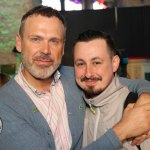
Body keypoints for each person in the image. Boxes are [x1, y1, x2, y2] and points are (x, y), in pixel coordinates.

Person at [0, 5, 150, 150]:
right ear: (19, 43)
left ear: (63, 47)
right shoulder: (5, 104)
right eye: (36, 39)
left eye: (54, 41)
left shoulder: (75, 77)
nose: (45, 50)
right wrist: (124, 129)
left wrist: (145, 99)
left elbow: (123, 84)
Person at [73, 29, 150, 149]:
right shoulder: (74, 103)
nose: (88, 73)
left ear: (114, 63)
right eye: (81, 64)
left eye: (97, 63)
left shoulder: (138, 108)